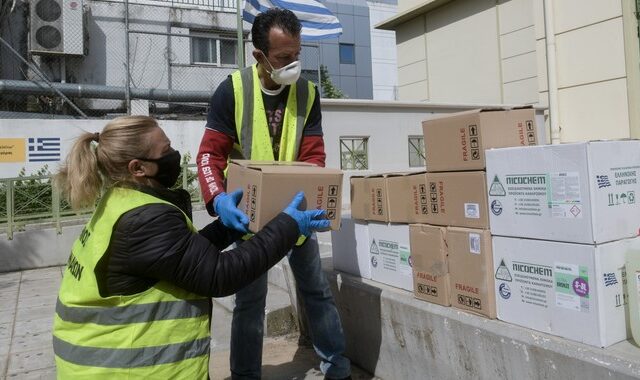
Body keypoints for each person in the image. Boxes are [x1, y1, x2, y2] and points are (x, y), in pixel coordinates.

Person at [51, 115, 330, 379]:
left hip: (105, 365)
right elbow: (220, 275)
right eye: (167, 149)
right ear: (138, 168)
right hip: (127, 369)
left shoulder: (121, 202)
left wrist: (227, 228)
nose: (174, 155)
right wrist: (288, 226)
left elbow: (179, 259)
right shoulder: (145, 219)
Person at [196, 8, 351, 380]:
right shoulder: (232, 91)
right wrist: (218, 198)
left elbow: (314, 155)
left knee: (316, 291)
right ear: (259, 56)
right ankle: (246, 374)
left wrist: (314, 202)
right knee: (250, 302)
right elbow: (208, 155)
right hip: (250, 223)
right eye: (283, 58)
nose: (292, 64)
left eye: (296, 55)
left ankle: (337, 367)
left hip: (296, 218)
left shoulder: (307, 93)